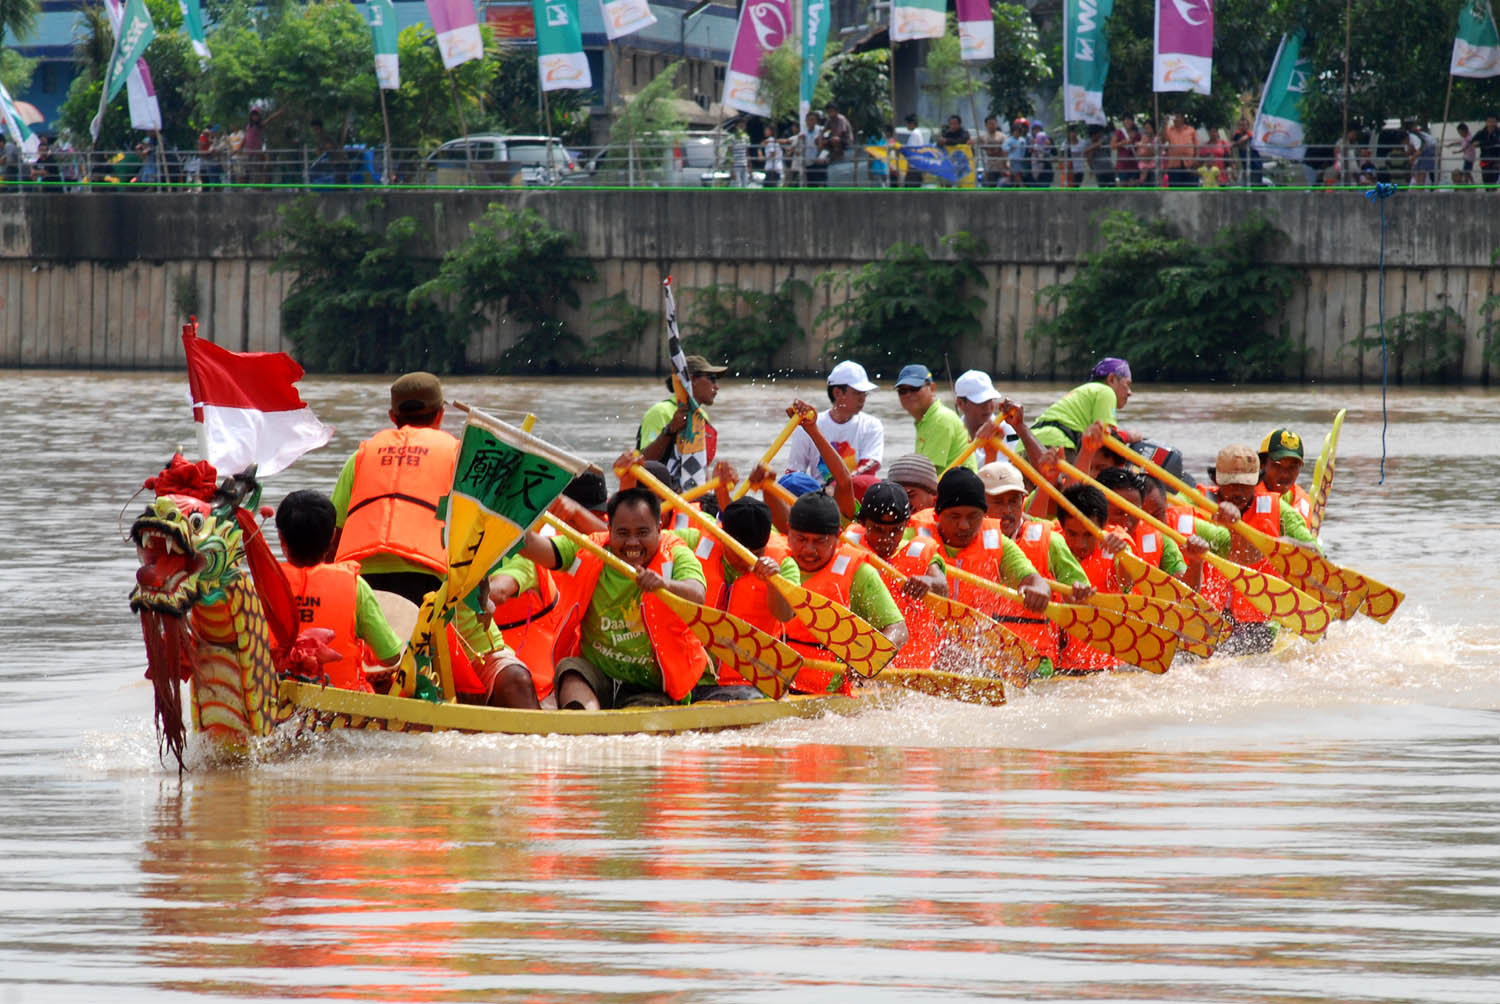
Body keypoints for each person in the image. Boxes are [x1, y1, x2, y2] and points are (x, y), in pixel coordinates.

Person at [520, 488, 709, 709]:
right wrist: (522, 512)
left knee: (638, 726)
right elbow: (529, 546)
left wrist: (664, 584)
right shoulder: (592, 547)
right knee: (571, 669)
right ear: (609, 530)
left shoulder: (676, 554)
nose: (632, 543)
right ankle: (583, 722)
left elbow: (697, 594)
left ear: (659, 529)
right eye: (622, 533)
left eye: (642, 533)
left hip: (651, 686)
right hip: (596, 675)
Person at [332, 372, 457, 606]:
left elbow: (334, 533)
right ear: (441, 414)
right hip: (430, 578)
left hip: (361, 579)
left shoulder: (359, 458)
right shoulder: (456, 457)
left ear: (392, 416)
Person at [665, 496, 799, 700]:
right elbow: (655, 540)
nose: (747, 561)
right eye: (739, 553)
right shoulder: (692, 541)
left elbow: (785, 614)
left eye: (755, 554)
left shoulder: (784, 565)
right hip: (690, 676)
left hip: (747, 684)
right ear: (723, 536)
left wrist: (773, 582)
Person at [276, 489, 403, 693]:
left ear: (280, 537)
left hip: (272, 703)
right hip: (342, 709)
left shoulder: (262, 587)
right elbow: (390, 656)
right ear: (333, 536)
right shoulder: (355, 586)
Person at [782, 492, 907, 693]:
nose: (809, 550)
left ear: (838, 536)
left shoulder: (860, 573)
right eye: (801, 539)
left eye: (820, 541)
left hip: (831, 686)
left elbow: (898, 629)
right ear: (788, 532)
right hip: (776, 679)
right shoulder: (776, 562)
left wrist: (869, 659)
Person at [845, 480, 948, 670]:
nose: (887, 539)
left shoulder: (920, 551)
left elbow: (942, 586)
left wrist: (928, 581)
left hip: (912, 667)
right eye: (878, 529)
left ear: (907, 524)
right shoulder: (845, 547)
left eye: (896, 530)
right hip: (861, 664)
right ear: (862, 523)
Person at [928, 468, 1051, 627]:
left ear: (984, 514)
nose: (964, 526)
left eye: (973, 517)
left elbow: (1032, 578)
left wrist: (1040, 589)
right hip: (926, 642)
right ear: (937, 513)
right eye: (955, 516)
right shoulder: (914, 536)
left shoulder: (997, 542)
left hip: (976, 643)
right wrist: (931, 570)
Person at [1051, 483, 1134, 673]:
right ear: (1061, 526)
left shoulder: (1119, 542)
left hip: (1106, 667)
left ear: (1103, 526)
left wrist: (1122, 555)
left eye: (1089, 535)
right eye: (1072, 534)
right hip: (1058, 666)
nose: (1080, 544)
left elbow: (1127, 583)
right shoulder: (1050, 536)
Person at [636, 353, 727, 500]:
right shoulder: (660, 411)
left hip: (692, 499)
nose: (716, 387)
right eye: (712, 379)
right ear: (691, 380)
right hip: (659, 500)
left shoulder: (702, 417)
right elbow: (644, 463)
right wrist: (670, 429)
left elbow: (702, 467)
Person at [785, 360, 884, 480]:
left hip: (855, 493)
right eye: (857, 393)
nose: (862, 399)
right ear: (837, 393)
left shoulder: (872, 425)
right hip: (819, 496)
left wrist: (838, 487)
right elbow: (794, 473)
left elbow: (870, 466)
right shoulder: (806, 426)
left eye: (865, 394)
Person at [1030, 357, 1136, 456]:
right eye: (1127, 384)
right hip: (1056, 444)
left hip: (1028, 443)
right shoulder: (1106, 391)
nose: (1129, 392)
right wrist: (1129, 436)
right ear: (1112, 379)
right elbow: (1106, 437)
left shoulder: (1084, 390)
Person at [895, 364, 974, 472]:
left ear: (932, 388)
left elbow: (926, 473)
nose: (908, 394)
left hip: (958, 487)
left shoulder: (940, 419)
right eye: (902, 391)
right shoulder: (926, 420)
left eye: (915, 388)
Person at [1258, 427, 1311, 521]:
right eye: (1277, 466)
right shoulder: (1246, 498)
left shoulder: (1303, 502)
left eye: (1293, 467)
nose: (1285, 475)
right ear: (1262, 464)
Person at [1163, 113, 1198, 187]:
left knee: (1190, 188)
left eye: (1178, 117)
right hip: (1174, 165)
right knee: (1175, 189)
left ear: (1182, 118)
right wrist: (1165, 124)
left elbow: (1197, 146)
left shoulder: (1191, 130)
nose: (1176, 119)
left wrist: (1196, 160)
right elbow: (1164, 140)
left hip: (1189, 165)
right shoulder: (1169, 130)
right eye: (1174, 117)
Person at [979, 115, 1009, 186]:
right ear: (986, 125)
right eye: (989, 124)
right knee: (989, 187)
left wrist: (1007, 165)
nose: (991, 126)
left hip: (1001, 167)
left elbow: (1006, 151)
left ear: (996, 124)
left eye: (993, 123)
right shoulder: (983, 137)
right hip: (990, 168)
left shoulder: (1002, 136)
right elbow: (974, 142)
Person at [1474, 115, 1500, 188]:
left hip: (1496, 161)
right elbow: (1472, 142)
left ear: (1496, 123)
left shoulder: (1498, 132)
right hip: (1485, 160)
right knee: (1486, 181)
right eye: (1489, 121)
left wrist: (1481, 143)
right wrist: (1477, 143)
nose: (1491, 123)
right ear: (1486, 123)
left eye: (1493, 121)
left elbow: (1495, 142)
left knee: (1494, 181)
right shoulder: (1481, 133)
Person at [903, 113, 928, 187]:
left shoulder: (914, 134)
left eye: (907, 123)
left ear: (911, 123)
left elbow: (911, 151)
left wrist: (908, 167)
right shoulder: (918, 133)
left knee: (910, 192)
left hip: (913, 169)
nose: (906, 125)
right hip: (917, 168)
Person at [801, 110, 825, 187]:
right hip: (809, 162)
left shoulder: (821, 130)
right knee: (811, 185)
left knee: (821, 184)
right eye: (808, 120)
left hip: (819, 161)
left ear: (816, 121)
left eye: (812, 119)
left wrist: (821, 157)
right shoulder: (804, 133)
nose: (810, 122)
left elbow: (826, 146)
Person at [1027, 122, 1053, 187]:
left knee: (1045, 187)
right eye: (1035, 129)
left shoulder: (1048, 139)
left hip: (1045, 169)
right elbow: (1027, 155)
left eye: (1038, 129)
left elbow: (1054, 152)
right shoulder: (1030, 140)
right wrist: (1031, 146)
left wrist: (1049, 145)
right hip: (1034, 168)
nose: (1037, 131)